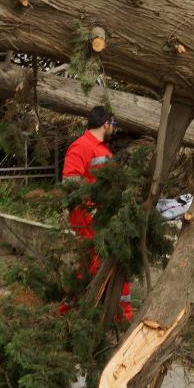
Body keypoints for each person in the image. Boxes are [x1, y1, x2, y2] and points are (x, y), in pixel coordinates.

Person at [62, 105, 133, 321]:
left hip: (101, 212)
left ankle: (114, 312)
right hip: (88, 214)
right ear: (106, 123)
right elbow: (70, 181)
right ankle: (74, 309)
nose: (114, 128)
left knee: (97, 261)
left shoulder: (102, 148)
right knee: (94, 261)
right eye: (113, 124)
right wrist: (90, 206)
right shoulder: (82, 146)